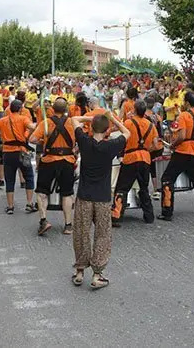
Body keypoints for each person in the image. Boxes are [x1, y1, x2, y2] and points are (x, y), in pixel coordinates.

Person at [70, 111, 129, 289]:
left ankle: (80, 271)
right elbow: (127, 132)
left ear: (91, 127)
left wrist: (91, 119)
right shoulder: (111, 146)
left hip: (84, 196)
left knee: (81, 233)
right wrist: (112, 118)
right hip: (102, 197)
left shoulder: (84, 141)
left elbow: (74, 119)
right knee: (103, 235)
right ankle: (97, 274)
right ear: (107, 130)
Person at [158, 91, 194, 221]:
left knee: (167, 178)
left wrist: (173, 145)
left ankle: (167, 211)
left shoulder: (184, 116)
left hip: (183, 151)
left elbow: (181, 136)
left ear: (186, 102)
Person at [29, 98, 77, 235]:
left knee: (42, 192)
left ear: (53, 109)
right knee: (67, 193)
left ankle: (44, 220)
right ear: (66, 109)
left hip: (49, 160)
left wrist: (44, 139)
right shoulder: (72, 123)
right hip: (67, 160)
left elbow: (32, 139)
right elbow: (79, 139)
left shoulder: (46, 123)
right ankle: (68, 225)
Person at [112, 99, 156, 226]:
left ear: (135, 110)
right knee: (144, 188)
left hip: (130, 158)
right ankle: (149, 216)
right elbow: (154, 144)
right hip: (145, 158)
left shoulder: (128, 123)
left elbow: (121, 137)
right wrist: (146, 149)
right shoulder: (150, 124)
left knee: (122, 188)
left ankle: (116, 215)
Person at [0, 100, 37, 214]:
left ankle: (10, 206)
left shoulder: (3, 120)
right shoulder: (23, 119)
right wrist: (26, 134)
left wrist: (1, 135)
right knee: (29, 177)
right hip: (22, 152)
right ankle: (29, 203)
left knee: (9, 179)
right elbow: (32, 127)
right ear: (20, 109)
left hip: (8, 153)